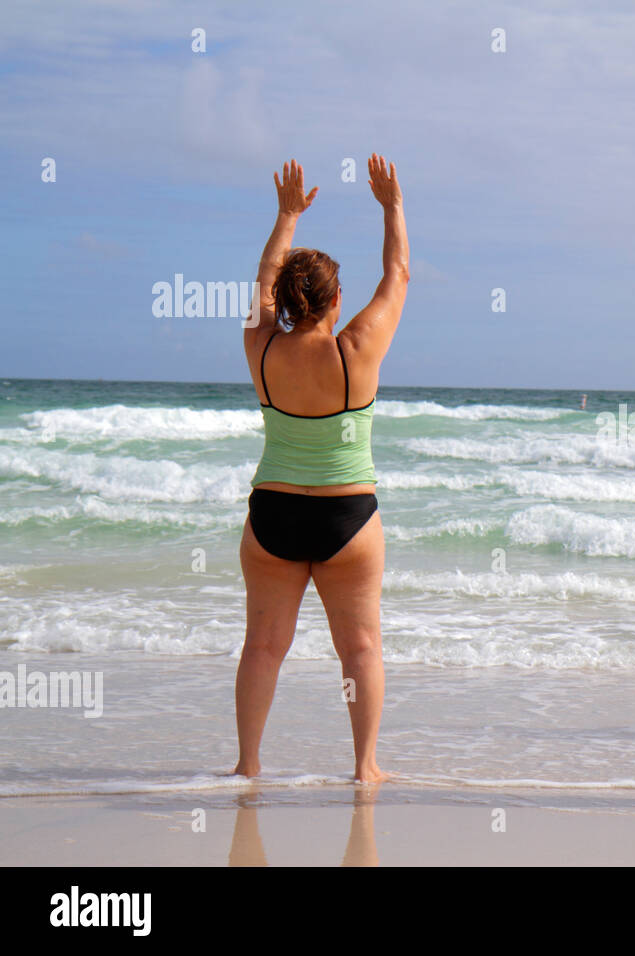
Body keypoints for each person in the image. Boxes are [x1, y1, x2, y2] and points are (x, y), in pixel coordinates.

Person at [233, 156, 409, 783]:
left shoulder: (261, 345)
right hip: (348, 519)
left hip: (273, 515)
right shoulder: (357, 349)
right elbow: (398, 274)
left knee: (263, 648)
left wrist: (286, 216)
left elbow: (261, 280)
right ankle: (364, 768)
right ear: (337, 300)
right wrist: (391, 205)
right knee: (360, 650)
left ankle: (248, 765)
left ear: (282, 300)